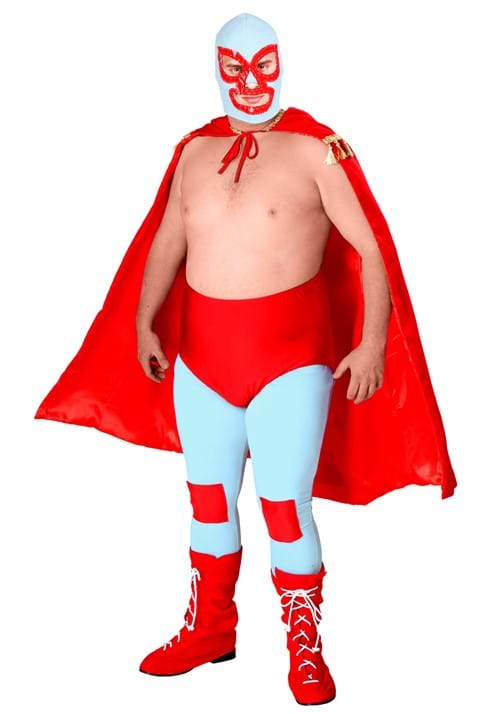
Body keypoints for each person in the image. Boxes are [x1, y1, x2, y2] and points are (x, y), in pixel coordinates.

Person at [34, 12, 457, 707]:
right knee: (207, 502)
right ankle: (211, 629)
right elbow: (166, 240)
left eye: (263, 63)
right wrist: (143, 321)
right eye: (235, 66)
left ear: (281, 62)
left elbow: (372, 247)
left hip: (291, 362)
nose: (251, 80)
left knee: (284, 506)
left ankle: (305, 647)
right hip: (201, 363)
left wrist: (373, 341)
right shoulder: (194, 152)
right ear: (216, 68)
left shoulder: (317, 149)